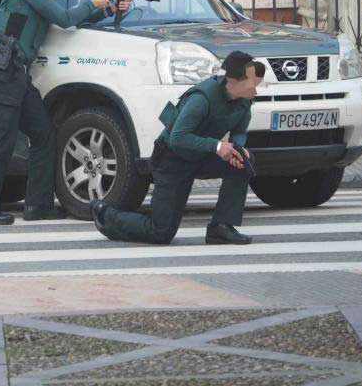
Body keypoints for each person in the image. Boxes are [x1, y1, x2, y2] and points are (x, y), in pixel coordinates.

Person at [0, 0, 128, 225]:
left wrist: (109, 9)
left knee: (43, 134)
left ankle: (38, 205)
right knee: (0, 139)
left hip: (15, 73)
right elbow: (65, 18)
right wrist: (94, 3)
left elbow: (64, 17)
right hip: (6, 70)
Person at [91, 51, 266, 245]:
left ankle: (221, 227)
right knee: (160, 232)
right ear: (232, 81)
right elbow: (178, 137)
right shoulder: (201, 99)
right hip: (172, 159)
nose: (255, 87)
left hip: (201, 155)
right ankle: (106, 214)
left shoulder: (244, 99)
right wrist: (217, 146)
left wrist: (238, 150)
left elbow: (239, 131)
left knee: (244, 162)